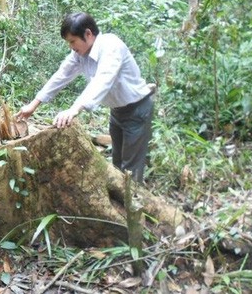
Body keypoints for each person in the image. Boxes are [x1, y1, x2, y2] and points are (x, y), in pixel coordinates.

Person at [16, 12, 154, 182]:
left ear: (88, 34)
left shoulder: (111, 46)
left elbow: (102, 80)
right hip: (117, 112)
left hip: (137, 111)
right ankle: (120, 203)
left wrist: (74, 109)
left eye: (73, 41)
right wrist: (33, 104)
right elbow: (62, 75)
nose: (71, 47)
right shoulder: (80, 54)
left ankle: (134, 205)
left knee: (130, 169)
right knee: (117, 164)